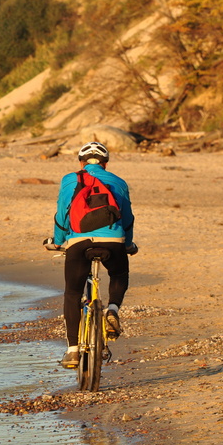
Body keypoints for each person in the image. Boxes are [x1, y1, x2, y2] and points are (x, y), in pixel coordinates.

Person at [45, 141, 136, 369]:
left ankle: (73, 350)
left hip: (78, 241)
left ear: (81, 162)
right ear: (105, 163)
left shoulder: (70, 179)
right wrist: (127, 243)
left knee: (73, 293)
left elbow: (62, 214)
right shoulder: (118, 182)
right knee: (119, 274)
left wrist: (58, 242)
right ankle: (112, 310)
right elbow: (127, 217)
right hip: (113, 240)